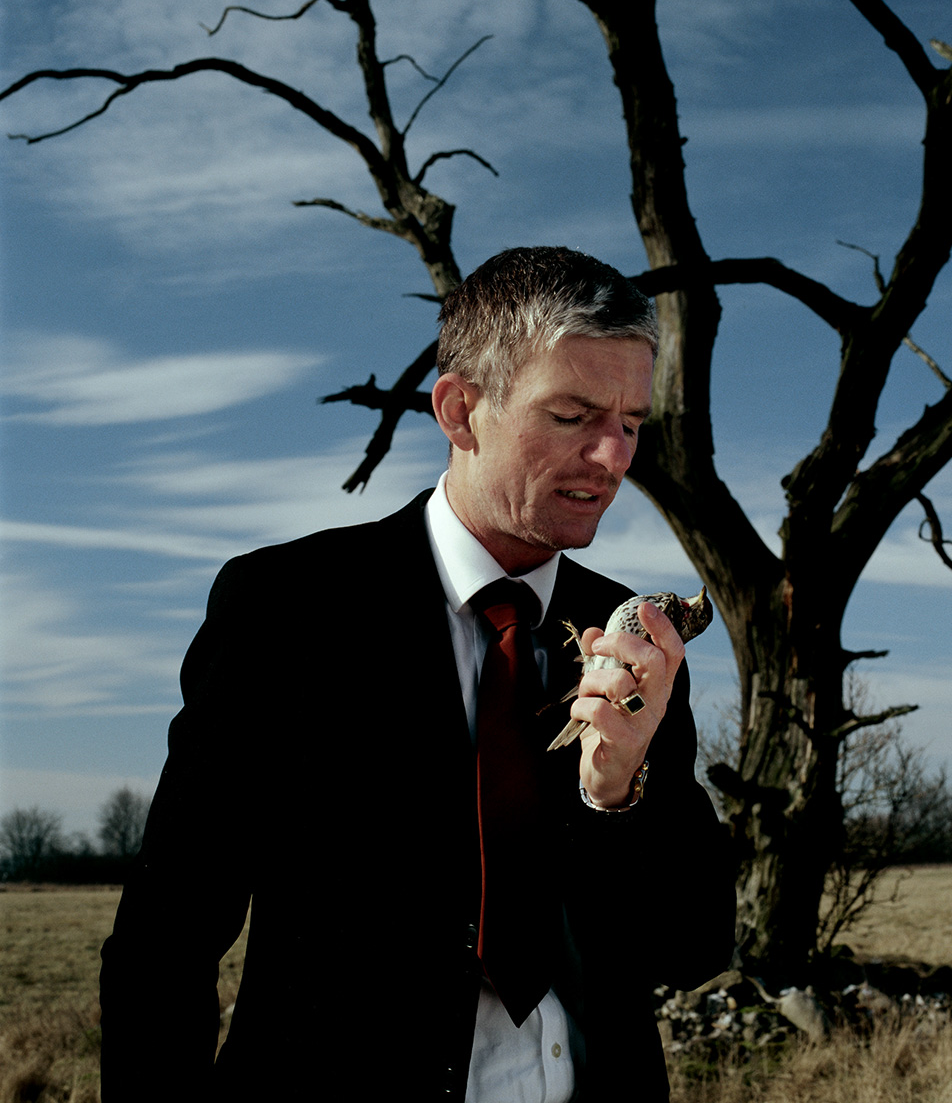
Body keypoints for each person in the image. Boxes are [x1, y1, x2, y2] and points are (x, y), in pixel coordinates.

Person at [100, 246, 734, 1102]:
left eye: (631, 422)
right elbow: (166, 935)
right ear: (460, 410)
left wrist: (617, 796)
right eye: (572, 415)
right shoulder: (284, 609)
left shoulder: (635, 636)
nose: (612, 455)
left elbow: (692, 949)